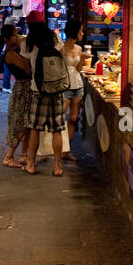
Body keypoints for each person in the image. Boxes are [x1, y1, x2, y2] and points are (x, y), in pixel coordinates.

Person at [22, 18, 69, 176]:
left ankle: (31, 164)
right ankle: (57, 166)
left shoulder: (30, 42)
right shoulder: (55, 38)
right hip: (57, 90)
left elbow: (27, 67)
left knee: (35, 128)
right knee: (57, 129)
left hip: (39, 90)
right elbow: (63, 59)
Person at [0, 25, 33, 168]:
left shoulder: (15, 51)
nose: (17, 37)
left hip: (26, 88)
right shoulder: (10, 54)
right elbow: (27, 68)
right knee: (23, 124)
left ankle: (23, 154)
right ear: (7, 39)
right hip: (22, 89)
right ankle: (9, 156)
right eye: (14, 35)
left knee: (28, 124)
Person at [60, 19, 86, 161]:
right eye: (81, 30)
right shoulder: (61, 49)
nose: (82, 33)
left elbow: (78, 69)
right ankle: (57, 148)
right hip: (64, 86)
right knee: (60, 118)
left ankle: (67, 150)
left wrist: (82, 60)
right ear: (74, 31)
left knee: (73, 119)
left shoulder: (79, 49)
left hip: (77, 85)